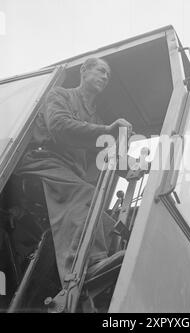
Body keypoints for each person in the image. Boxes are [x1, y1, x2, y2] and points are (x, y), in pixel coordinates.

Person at [16, 57, 132, 284]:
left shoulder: (96, 119)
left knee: (106, 220)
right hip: (44, 161)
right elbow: (59, 126)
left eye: (108, 75)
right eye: (100, 70)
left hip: (69, 172)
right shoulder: (60, 95)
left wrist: (133, 163)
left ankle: (103, 266)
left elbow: (103, 155)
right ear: (84, 71)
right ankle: (88, 265)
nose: (105, 77)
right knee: (85, 194)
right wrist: (108, 130)